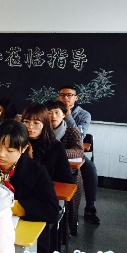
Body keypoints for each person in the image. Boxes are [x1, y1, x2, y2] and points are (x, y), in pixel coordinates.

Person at [0, 119, 59, 253]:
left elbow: (51, 210)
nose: (1, 154)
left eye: (10, 150)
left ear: (23, 149)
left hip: (20, 236)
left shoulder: (36, 171)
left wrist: (12, 207)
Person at [58, 85, 100, 225]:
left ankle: (90, 207)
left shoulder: (84, 115)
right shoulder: (52, 110)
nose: (66, 98)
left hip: (73, 151)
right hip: (52, 148)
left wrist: (68, 115)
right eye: (62, 95)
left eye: (69, 95)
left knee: (90, 169)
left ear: (76, 98)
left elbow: (80, 137)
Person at [45, 99, 83, 236]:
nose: (53, 116)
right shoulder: (41, 130)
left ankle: (67, 231)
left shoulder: (71, 131)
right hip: (47, 173)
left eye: (57, 112)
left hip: (69, 174)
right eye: (49, 113)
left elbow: (79, 152)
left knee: (69, 208)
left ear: (64, 114)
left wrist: (57, 152)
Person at [21, 103, 73, 184]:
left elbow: (66, 180)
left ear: (44, 124)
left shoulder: (56, 146)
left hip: (47, 188)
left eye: (36, 123)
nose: (30, 127)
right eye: (26, 122)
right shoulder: (17, 143)